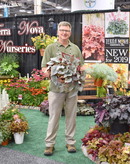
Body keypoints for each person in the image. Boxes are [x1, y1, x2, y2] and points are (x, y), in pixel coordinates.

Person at [41, 21, 84, 156]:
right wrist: (53, 74)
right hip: (55, 89)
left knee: (71, 116)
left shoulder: (75, 48)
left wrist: (82, 72)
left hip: (72, 89)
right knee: (54, 117)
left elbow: (81, 67)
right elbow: (44, 68)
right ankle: (49, 144)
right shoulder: (50, 48)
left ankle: (70, 142)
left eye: (67, 30)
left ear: (70, 33)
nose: (64, 33)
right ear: (58, 32)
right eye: (62, 30)